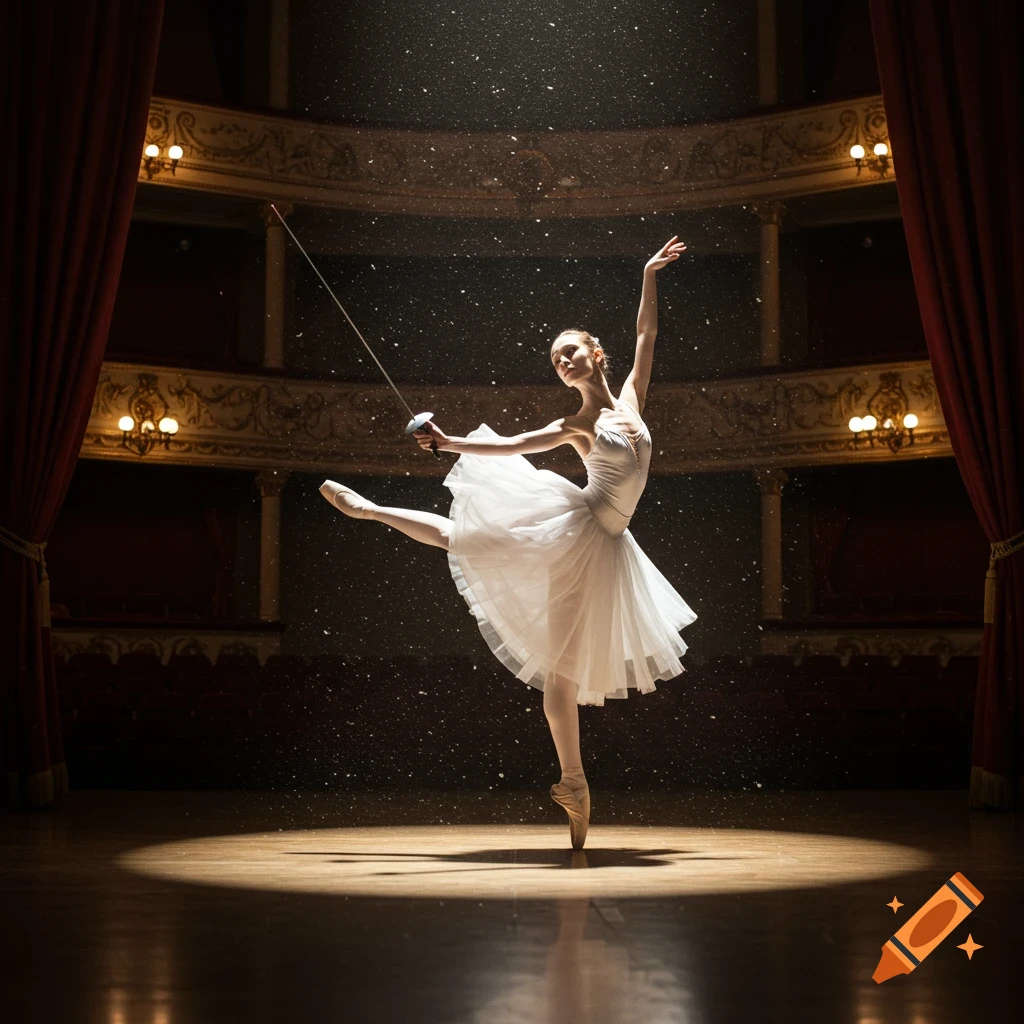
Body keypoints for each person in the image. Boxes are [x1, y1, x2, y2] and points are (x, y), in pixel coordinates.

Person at [320, 236, 697, 849]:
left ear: (597, 354)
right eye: (554, 360)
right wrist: (447, 444)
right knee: (468, 543)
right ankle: (370, 511)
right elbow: (512, 446)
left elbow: (647, 338)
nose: (562, 362)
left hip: (609, 543)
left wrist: (650, 275)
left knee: (562, 677)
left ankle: (573, 787)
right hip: (578, 530)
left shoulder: (631, 400)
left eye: (570, 352)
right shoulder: (574, 424)